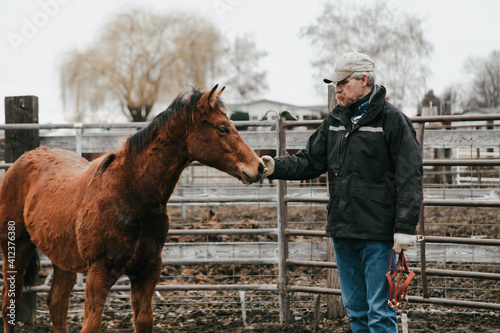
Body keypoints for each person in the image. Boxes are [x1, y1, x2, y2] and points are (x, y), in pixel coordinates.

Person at [261, 51, 422, 333]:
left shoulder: (392, 121)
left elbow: (410, 175)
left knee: (379, 312)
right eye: (334, 83)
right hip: (343, 230)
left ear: (363, 80)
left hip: (379, 235)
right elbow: (310, 161)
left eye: (342, 82)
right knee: (357, 311)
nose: (336, 88)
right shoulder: (335, 121)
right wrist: (274, 166)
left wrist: (404, 227)